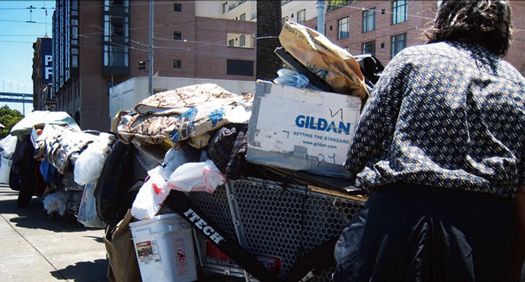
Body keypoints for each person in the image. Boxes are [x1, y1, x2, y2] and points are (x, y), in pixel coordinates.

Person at [332, 0, 525, 281]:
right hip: (480, 239)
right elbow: (521, 190)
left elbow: (359, 151)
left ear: (445, 16)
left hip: (397, 227)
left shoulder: (411, 61)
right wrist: (515, 259)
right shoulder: (516, 84)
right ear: (503, 29)